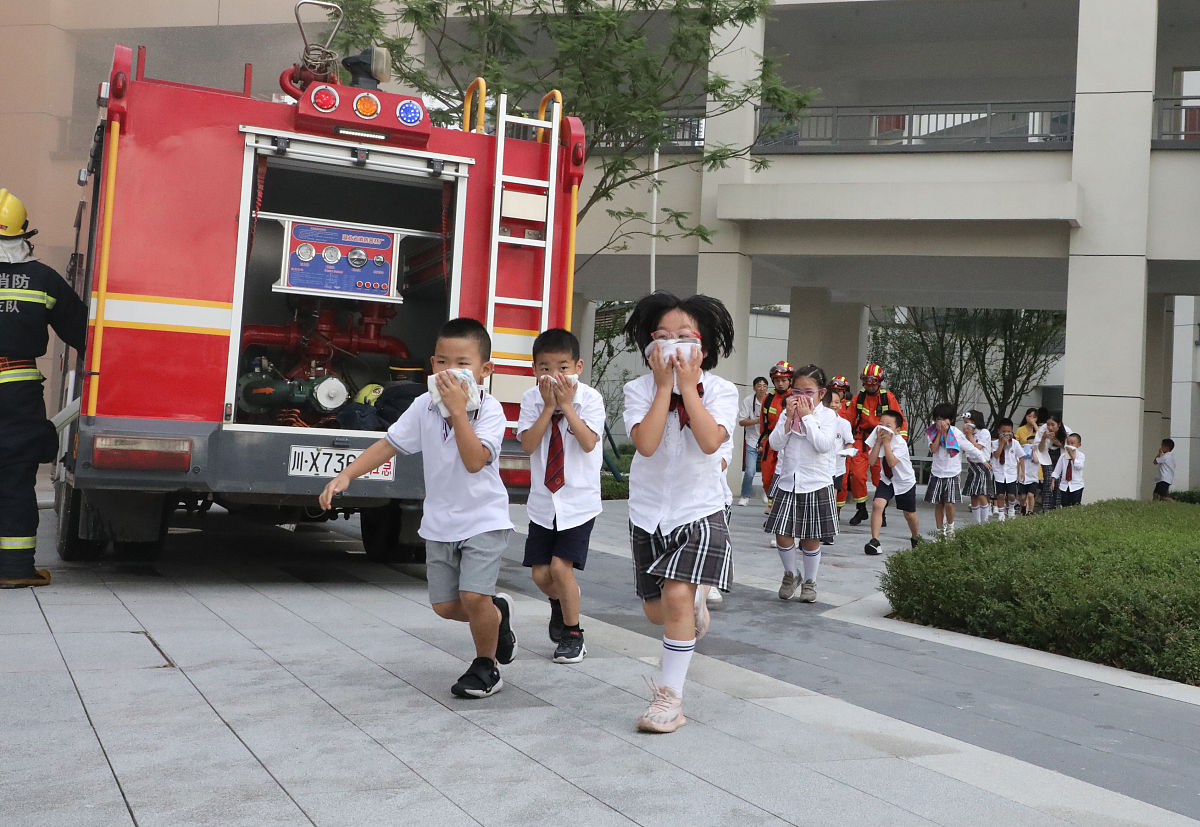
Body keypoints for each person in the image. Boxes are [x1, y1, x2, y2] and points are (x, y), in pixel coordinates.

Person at [319, 318, 516, 699]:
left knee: (473, 597)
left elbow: (475, 461)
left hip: (484, 518)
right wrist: (347, 475)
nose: (449, 371)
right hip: (441, 522)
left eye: (462, 363)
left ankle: (486, 666)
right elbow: (389, 444)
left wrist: (458, 412)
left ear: (485, 370)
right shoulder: (424, 405)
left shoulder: (491, 411)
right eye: (442, 362)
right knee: (445, 606)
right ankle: (496, 615)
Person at [621, 292, 737, 734]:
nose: (672, 346)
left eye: (685, 337)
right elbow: (646, 445)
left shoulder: (722, 391)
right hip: (648, 512)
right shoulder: (638, 390)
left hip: (700, 509)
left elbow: (709, 442)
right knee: (659, 612)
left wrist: (687, 388)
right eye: (663, 337)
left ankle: (669, 700)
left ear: (703, 348)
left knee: (674, 598)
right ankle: (694, 604)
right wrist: (663, 387)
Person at [0, 189, 88, 589]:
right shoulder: (43, 280)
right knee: (15, 476)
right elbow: (82, 332)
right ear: (24, 232)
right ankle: (15, 568)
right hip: (16, 391)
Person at [517, 328, 605, 665]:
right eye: (545, 368)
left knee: (560, 566)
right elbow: (528, 444)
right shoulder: (531, 399)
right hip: (543, 503)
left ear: (578, 367)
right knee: (541, 575)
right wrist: (547, 408)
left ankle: (573, 634)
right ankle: (563, 602)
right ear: (534, 369)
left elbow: (588, 442)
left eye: (563, 368)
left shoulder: (590, 399)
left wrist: (566, 406)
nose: (554, 375)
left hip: (578, 502)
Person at [764, 364, 838, 603]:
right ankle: (791, 574)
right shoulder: (787, 413)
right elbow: (775, 444)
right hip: (789, 481)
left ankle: (810, 581)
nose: (801, 397)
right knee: (782, 534)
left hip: (815, 483)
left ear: (821, 393)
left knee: (810, 537)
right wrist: (788, 419)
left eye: (808, 392)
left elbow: (823, 445)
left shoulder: (828, 416)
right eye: (797, 392)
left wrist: (807, 418)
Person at [846, 363, 906, 526]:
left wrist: (900, 441)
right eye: (866, 382)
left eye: (873, 382)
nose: (870, 386)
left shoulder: (888, 398)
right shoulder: (859, 398)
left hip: (882, 440)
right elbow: (848, 420)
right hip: (862, 440)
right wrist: (845, 440)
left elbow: (900, 420)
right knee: (857, 475)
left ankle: (881, 512)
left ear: (879, 382)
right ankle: (861, 509)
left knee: (880, 477)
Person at [863, 409, 921, 554]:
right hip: (887, 480)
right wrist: (878, 443)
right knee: (878, 504)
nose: (883, 428)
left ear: (897, 430)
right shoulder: (878, 439)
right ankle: (875, 541)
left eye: (888, 426)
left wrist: (887, 444)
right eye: (881, 424)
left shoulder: (900, 443)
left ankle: (915, 537)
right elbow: (871, 461)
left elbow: (892, 462)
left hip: (904, 481)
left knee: (909, 514)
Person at [925, 402, 967, 537]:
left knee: (949, 503)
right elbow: (934, 449)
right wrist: (939, 433)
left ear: (951, 419)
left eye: (945, 419)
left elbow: (951, 449)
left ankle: (950, 527)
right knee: (939, 503)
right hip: (937, 472)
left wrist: (945, 433)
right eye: (939, 419)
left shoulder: (956, 433)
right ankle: (939, 531)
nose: (941, 422)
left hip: (952, 472)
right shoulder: (931, 432)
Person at [758, 361, 793, 519]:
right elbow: (763, 421)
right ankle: (772, 505)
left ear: (790, 380)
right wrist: (761, 441)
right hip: (771, 441)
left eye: (784, 380)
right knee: (767, 478)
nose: (780, 383)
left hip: (790, 442)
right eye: (777, 380)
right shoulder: (769, 398)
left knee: (785, 477)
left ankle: (777, 509)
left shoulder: (796, 397)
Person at [827, 375, 857, 519]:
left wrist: (847, 452)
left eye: (837, 402)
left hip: (837, 466)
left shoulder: (844, 422)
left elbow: (849, 441)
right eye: (831, 402)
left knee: (834, 494)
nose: (833, 405)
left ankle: (833, 518)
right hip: (821, 466)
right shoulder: (818, 420)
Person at [736, 376, 769, 506]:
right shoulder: (748, 401)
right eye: (759, 386)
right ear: (754, 388)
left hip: (768, 440)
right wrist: (758, 420)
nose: (762, 388)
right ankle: (745, 495)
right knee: (750, 471)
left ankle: (767, 493)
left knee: (769, 470)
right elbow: (741, 421)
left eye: (764, 386)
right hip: (752, 439)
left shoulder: (770, 399)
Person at [960, 410, 994, 525]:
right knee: (973, 495)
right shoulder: (966, 435)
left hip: (983, 465)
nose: (966, 426)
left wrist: (970, 437)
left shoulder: (984, 432)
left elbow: (978, 447)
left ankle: (984, 522)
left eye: (968, 423)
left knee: (981, 493)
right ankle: (976, 522)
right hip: (972, 466)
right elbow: (965, 449)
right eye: (965, 423)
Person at [990, 417, 1023, 521]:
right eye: (1003, 432)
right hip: (998, 473)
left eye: (1009, 432)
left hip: (1011, 473)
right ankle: (1001, 514)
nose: (1006, 434)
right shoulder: (994, 443)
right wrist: (1002, 444)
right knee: (1000, 495)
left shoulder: (1015, 443)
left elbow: (1021, 457)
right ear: (999, 431)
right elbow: (996, 455)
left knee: (1011, 495)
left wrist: (1022, 472)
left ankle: (1011, 509)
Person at [1036, 411, 1070, 512]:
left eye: (1053, 425)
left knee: (1059, 481)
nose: (1050, 427)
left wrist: (1057, 442)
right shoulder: (1043, 430)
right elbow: (1040, 449)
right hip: (1047, 456)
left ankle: (1057, 506)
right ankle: (1046, 507)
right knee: (1048, 480)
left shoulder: (1067, 431)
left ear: (1059, 424)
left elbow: (1070, 448)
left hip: (1061, 456)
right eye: (1048, 424)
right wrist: (1044, 438)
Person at [1050, 433, 1085, 507]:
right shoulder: (1063, 456)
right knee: (1065, 505)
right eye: (1068, 443)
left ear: (1079, 445)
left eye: (1072, 443)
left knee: (1076, 505)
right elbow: (1057, 470)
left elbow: (1079, 466)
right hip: (1064, 485)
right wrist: (1053, 481)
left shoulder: (1081, 455)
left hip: (1077, 485)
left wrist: (1072, 457)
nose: (1069, 445)